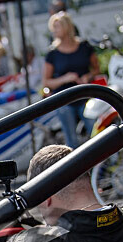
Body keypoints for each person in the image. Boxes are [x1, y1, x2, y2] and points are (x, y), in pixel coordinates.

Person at [42, 11, 98, 148]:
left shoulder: (84, 47)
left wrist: (88, 76)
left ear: (67, 27)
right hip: (65, 99)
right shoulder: (53, 53)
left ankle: (104, 166)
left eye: (57, 27)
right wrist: (65, 79)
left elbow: (96, 69)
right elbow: (46, 81)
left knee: (95, 133)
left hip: (85, 96)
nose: (54, 30)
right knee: (71, 139)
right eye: (53, 27)